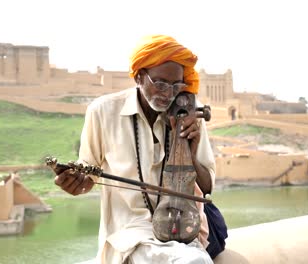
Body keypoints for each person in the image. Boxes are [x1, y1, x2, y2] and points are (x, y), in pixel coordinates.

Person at [54, 35, 216, 264]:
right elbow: (87, 178)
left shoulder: (188, 114)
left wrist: (192, 147)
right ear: (139, 76)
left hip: (179, 230)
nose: (168, 93)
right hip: (129, 236)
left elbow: (207, 188)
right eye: (160, 84)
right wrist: (74, 184)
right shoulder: (102, 112)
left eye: (176, 86)